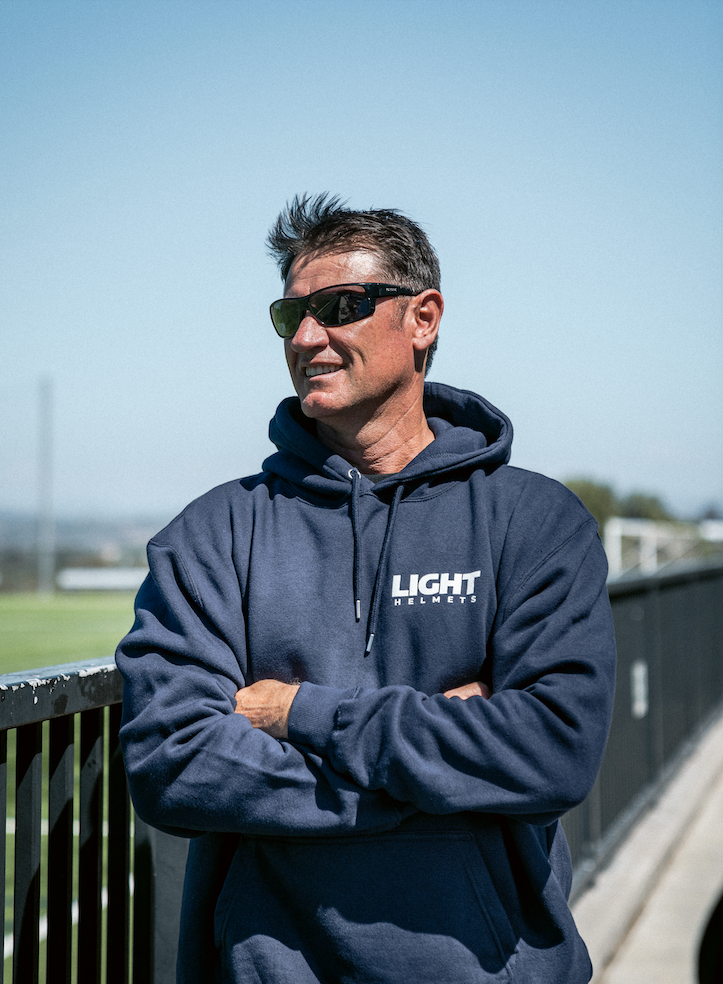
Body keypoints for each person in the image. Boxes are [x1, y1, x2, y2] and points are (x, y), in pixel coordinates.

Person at [116, 194, 617, 984]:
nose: (308, 336)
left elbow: (552, 751)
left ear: (422, 318)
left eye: (340, 307)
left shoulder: (533, 520)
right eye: (291, 316)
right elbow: (170, 764)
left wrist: (297, 713)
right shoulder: (213, 532)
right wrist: (434, 781)